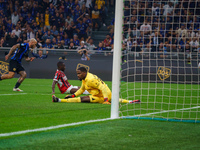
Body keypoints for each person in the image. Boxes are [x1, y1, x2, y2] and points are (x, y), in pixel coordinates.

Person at [52, 67, 141, 104]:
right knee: (82, 99)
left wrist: (106, 100)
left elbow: (102, 87)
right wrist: (72, 95)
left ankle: (60, 100)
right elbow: (82, 89)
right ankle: (59, 100)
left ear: (84, 73)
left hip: (104, 95)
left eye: (79, 73)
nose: (77, 75)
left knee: (83, 99)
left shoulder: (90, 79)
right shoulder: (85, 79)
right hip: (98, 95)